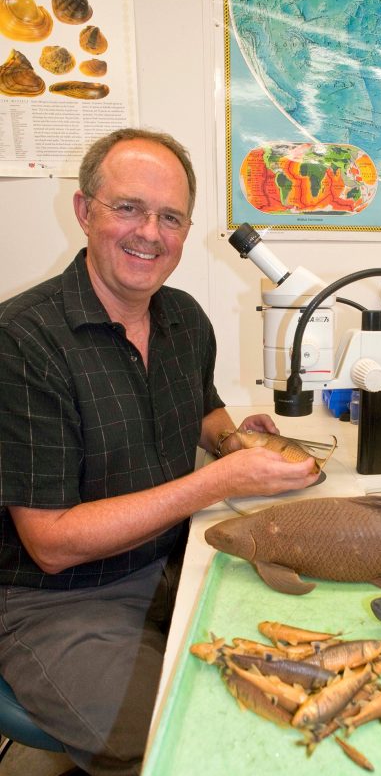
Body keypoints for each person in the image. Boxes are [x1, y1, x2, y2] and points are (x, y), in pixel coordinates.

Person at [0, 128, 316, 776]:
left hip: (176, 563)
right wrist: (219, 479)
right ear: (84, 210)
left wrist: (234, 438)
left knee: (306, 649)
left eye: (169, 217)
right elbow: (51, 540)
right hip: (56, 599)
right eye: (128, 208)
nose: (150, 231)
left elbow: (200, 408)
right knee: (197, 732)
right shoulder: (22, 340)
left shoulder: (184, 319)